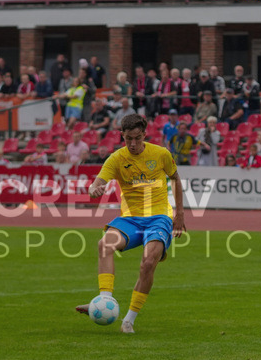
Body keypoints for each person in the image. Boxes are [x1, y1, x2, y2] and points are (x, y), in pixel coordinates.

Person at [74, 114, 186, 334]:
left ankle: (128, 320)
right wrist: (94, 190)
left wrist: (179, 214)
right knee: (104, 245)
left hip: (159, 217)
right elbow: (96, 184)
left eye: (137, 138)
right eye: (128, 139)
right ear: (122, 136)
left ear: (144, 134)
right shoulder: (116, 158)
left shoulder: (161, 154)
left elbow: (175, 178)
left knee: (148, 263)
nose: (132, 144)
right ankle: (104, 300)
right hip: (130, 219)